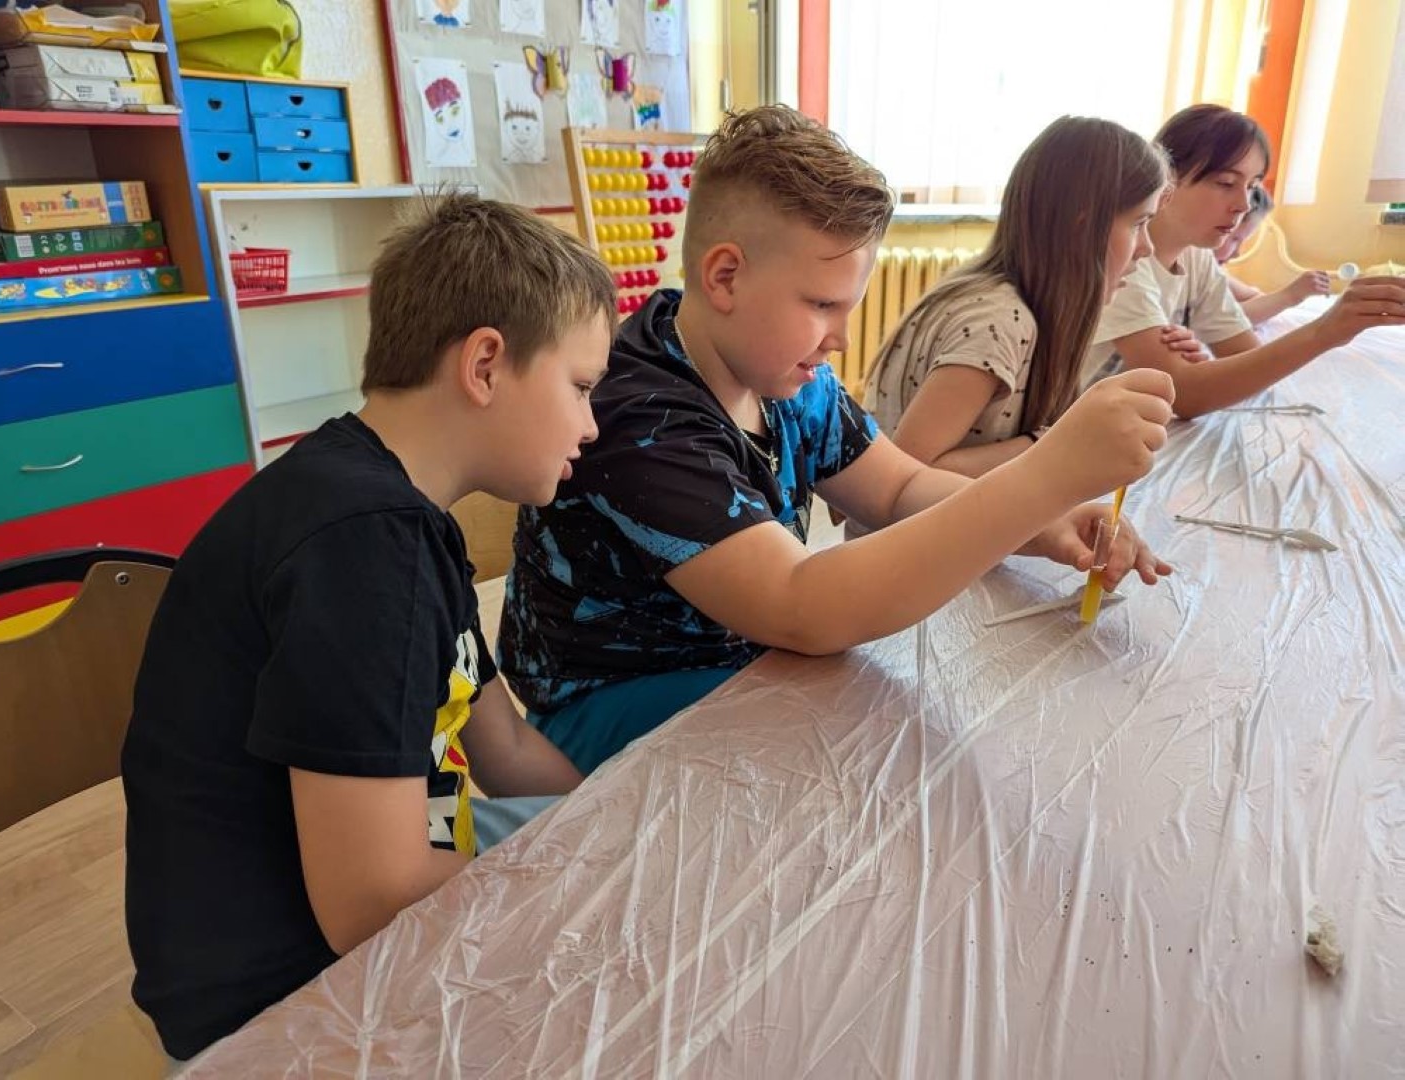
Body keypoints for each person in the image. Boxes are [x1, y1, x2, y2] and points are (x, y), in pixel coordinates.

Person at [498, 105, 1175, 776]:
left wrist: (1046, 522)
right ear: (725, 277)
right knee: (873, 749)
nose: (842, 340)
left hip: (736, 656)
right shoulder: (640, 417)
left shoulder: (787, 375)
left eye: (848, 308)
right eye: (823, 305)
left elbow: (900, 486)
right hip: (610, 700)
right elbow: (802, 606)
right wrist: (1044, 479)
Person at [121, 194, 614, 1060]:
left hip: (383, 886)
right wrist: (562, 889)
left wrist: (610, 825)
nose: (590, 424)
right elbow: (369, 900)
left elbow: (502, 747)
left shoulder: (405, 517)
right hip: (279, 1004)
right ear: (485, 365)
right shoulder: (362, 546)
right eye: (579, 387)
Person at [863, 116, 1176, 479]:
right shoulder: (998, 321)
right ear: (1082, 226)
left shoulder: (1022, 308)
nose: (1146, 247)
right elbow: (908, 474)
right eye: (1138, 223)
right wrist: (1061, 442)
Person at [1085, 104, 1405, 417]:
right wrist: (1325, 331)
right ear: (1166, 178)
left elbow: (1244, 352)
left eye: (1252, 187)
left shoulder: (1196, 257)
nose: (1243, 204)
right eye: (1226, 183)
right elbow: (1185, 395)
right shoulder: (1123, 262)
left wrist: (1203, 368)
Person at [1215, 184, 1330, 325]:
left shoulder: (1213, 272)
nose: (1236, 254)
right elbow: (1219, 323)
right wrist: (1290, 295)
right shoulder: (1192, 268)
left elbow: (1254, 298)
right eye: (1235, 239)